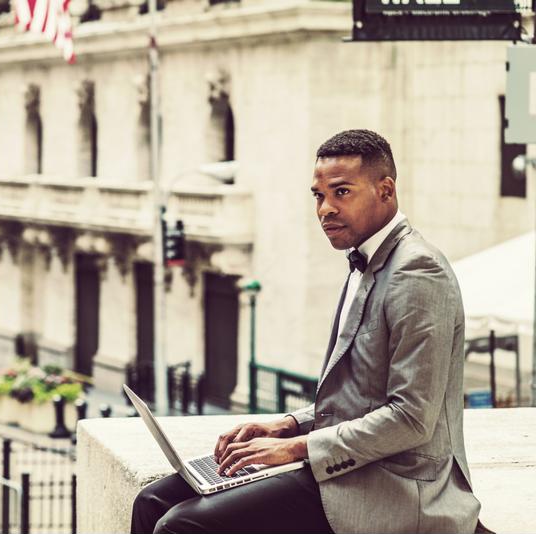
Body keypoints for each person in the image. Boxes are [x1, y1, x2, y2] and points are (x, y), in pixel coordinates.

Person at [131, 129, 481, 534]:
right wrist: (288, 424)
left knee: (183, 525)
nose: (325, 209)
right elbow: (361, 398)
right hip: (347, 464)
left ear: (385, 190)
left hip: (393, 486)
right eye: (318, 196)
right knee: (152, 501)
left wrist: (293, 448)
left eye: (342, 192)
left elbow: (410, 418)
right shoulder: (365, 260)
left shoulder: (418, 273)